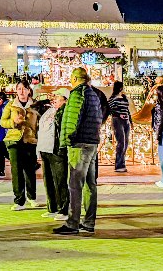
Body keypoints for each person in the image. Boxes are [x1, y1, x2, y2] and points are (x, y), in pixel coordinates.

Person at [54, 67, 107, 236]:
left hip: (79, 144)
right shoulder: (93, 94)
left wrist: (68, 138)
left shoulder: (77, 94)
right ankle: (89, 222)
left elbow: (73, 118)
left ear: (76, 79)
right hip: (92, 142)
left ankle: (73, 223)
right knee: (90, 184)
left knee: (75, 184)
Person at [1, 80, 40, 210]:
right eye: (19, 89)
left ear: (29, 90)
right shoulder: (11, 105)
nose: (22, 91)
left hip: (30, 140)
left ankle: (32, 197)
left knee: (30, 170)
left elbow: (40, 123)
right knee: (16, 170)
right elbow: (2, 122)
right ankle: (19, 200)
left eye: (24, 88)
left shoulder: (35, 105)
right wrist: (13, 122)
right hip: (14, 140)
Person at [37, 88, 70, 220]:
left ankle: (64, 209)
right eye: (54, 96)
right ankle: (52, 207)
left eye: (58, 97)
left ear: (65, 100)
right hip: (45, 149)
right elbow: (35, 106)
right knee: (48, 180)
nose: (54, 99)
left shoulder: (64, 112)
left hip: (56, 150)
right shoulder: (50, 110)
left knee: (60, 180)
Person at [107, 81, 132, 173]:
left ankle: (122, 162)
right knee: (121, 142)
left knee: (125, 142)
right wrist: (118, 114)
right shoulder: (113, 99)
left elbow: (127, 110)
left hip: (126, 121)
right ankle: (119, 164)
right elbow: (109, 109)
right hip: (118, 120)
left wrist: (130, 121)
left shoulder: (124, 98)